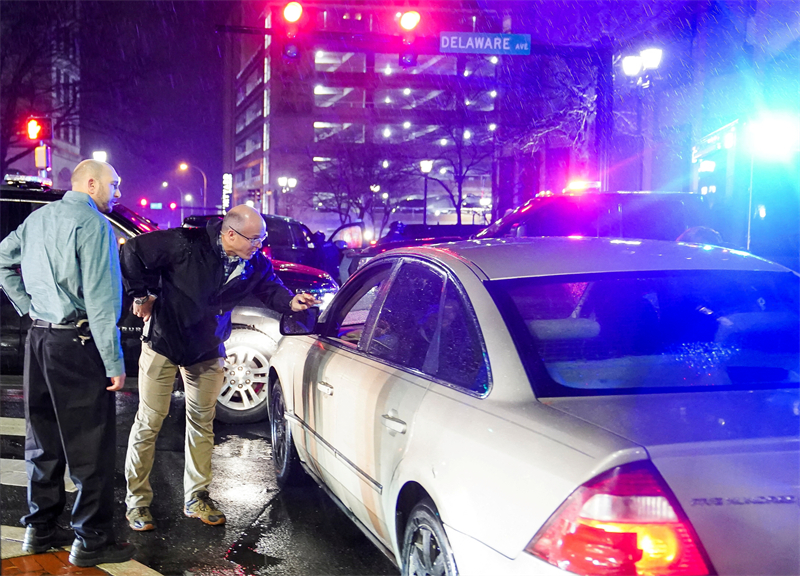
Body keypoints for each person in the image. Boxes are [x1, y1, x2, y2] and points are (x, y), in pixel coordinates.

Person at [120, 204, 318, 532]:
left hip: (208, 348)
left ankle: (196, 497)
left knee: (202, 423)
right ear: (230, 234)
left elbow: (270, 288)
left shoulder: (254, 262)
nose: (259, 245)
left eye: (262, 238)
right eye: (254, 239)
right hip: (163, 342)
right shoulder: (186, 243)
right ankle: (137, 501)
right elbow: (133, 251)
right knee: (149, 422)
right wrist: (141, 296)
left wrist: (290, 302)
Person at [0, 160, 136, 567]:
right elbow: (101, 300)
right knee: (90, 444)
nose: (117, 192)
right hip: (77, 343)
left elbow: (3, 260)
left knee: (42, 438)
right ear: (91, 183)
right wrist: (113, 360)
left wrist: (27, 305)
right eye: (114, 184)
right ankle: (92, 540)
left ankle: (39, 529)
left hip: (39, 339)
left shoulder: (38, 218)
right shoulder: (94, 225)